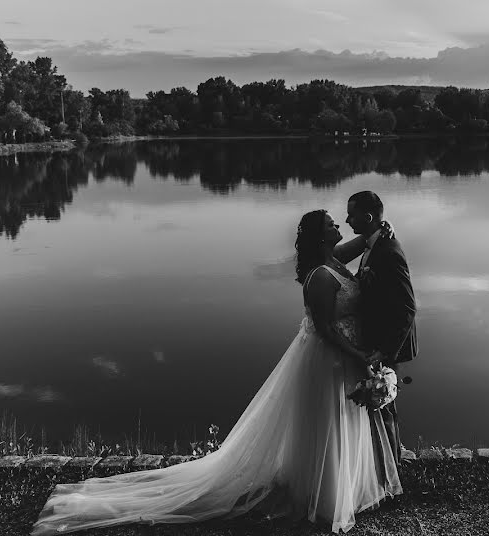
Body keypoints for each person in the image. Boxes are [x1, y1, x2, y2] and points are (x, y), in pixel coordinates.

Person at [31, 210, 401, 535]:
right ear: (322, 236)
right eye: (332, 223)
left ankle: (335, 489)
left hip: (345, 358)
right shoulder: (321, 276)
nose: (339, 224)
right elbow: (325, 329)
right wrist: (360, 355)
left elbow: (360, 244)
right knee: (327, 423)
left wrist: (377, 232)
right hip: (329, 358)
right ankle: (323, 496)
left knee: (338, 421)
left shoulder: (334, 259)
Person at [340, 191, 417, 468]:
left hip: (385, 343)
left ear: (368, 217)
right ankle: (385, 466)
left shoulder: (389, 250)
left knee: (384, 406)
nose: (346, 220)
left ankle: (390, 469)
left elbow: (407, 308)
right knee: (382, 406)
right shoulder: (374, 244)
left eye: (351, 214)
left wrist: (385, 350)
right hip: (374, 341)